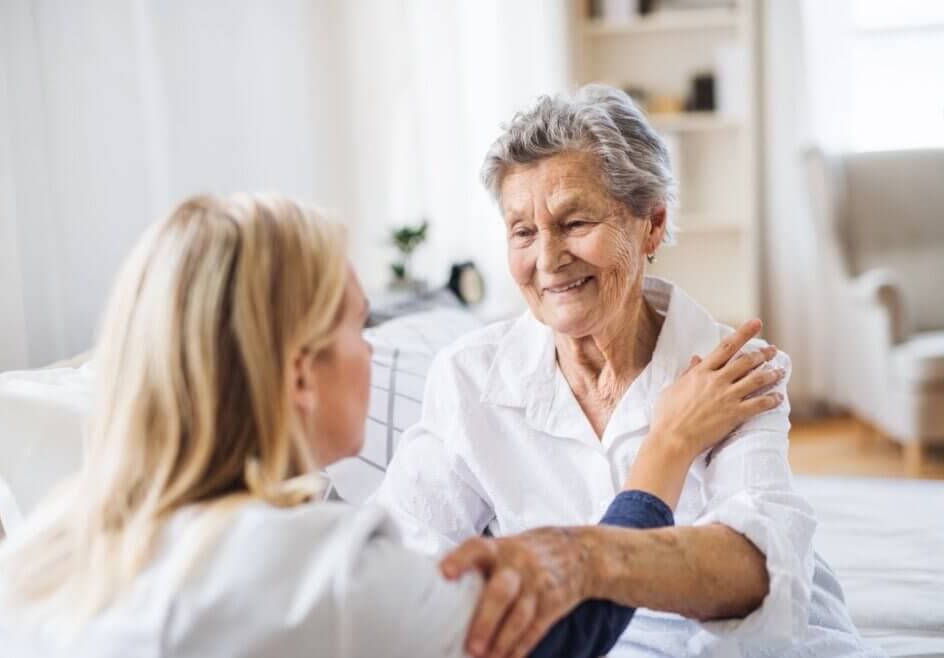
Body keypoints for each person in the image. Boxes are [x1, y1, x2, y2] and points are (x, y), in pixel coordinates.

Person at [0, 193, 783, 658]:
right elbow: (563, 638)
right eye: (359, 328)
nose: (372, 351)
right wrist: (668, 448)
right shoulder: (329, 575)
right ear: (297, 373)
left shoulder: (23, 573)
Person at [374, 85, 881, 657]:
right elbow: (400, 567)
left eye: (574, 222)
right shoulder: (469, 379)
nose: (546, 259)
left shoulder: (731, 370)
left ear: (652, 224)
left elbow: (755, 571)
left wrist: (582, 559)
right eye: (522, 231)